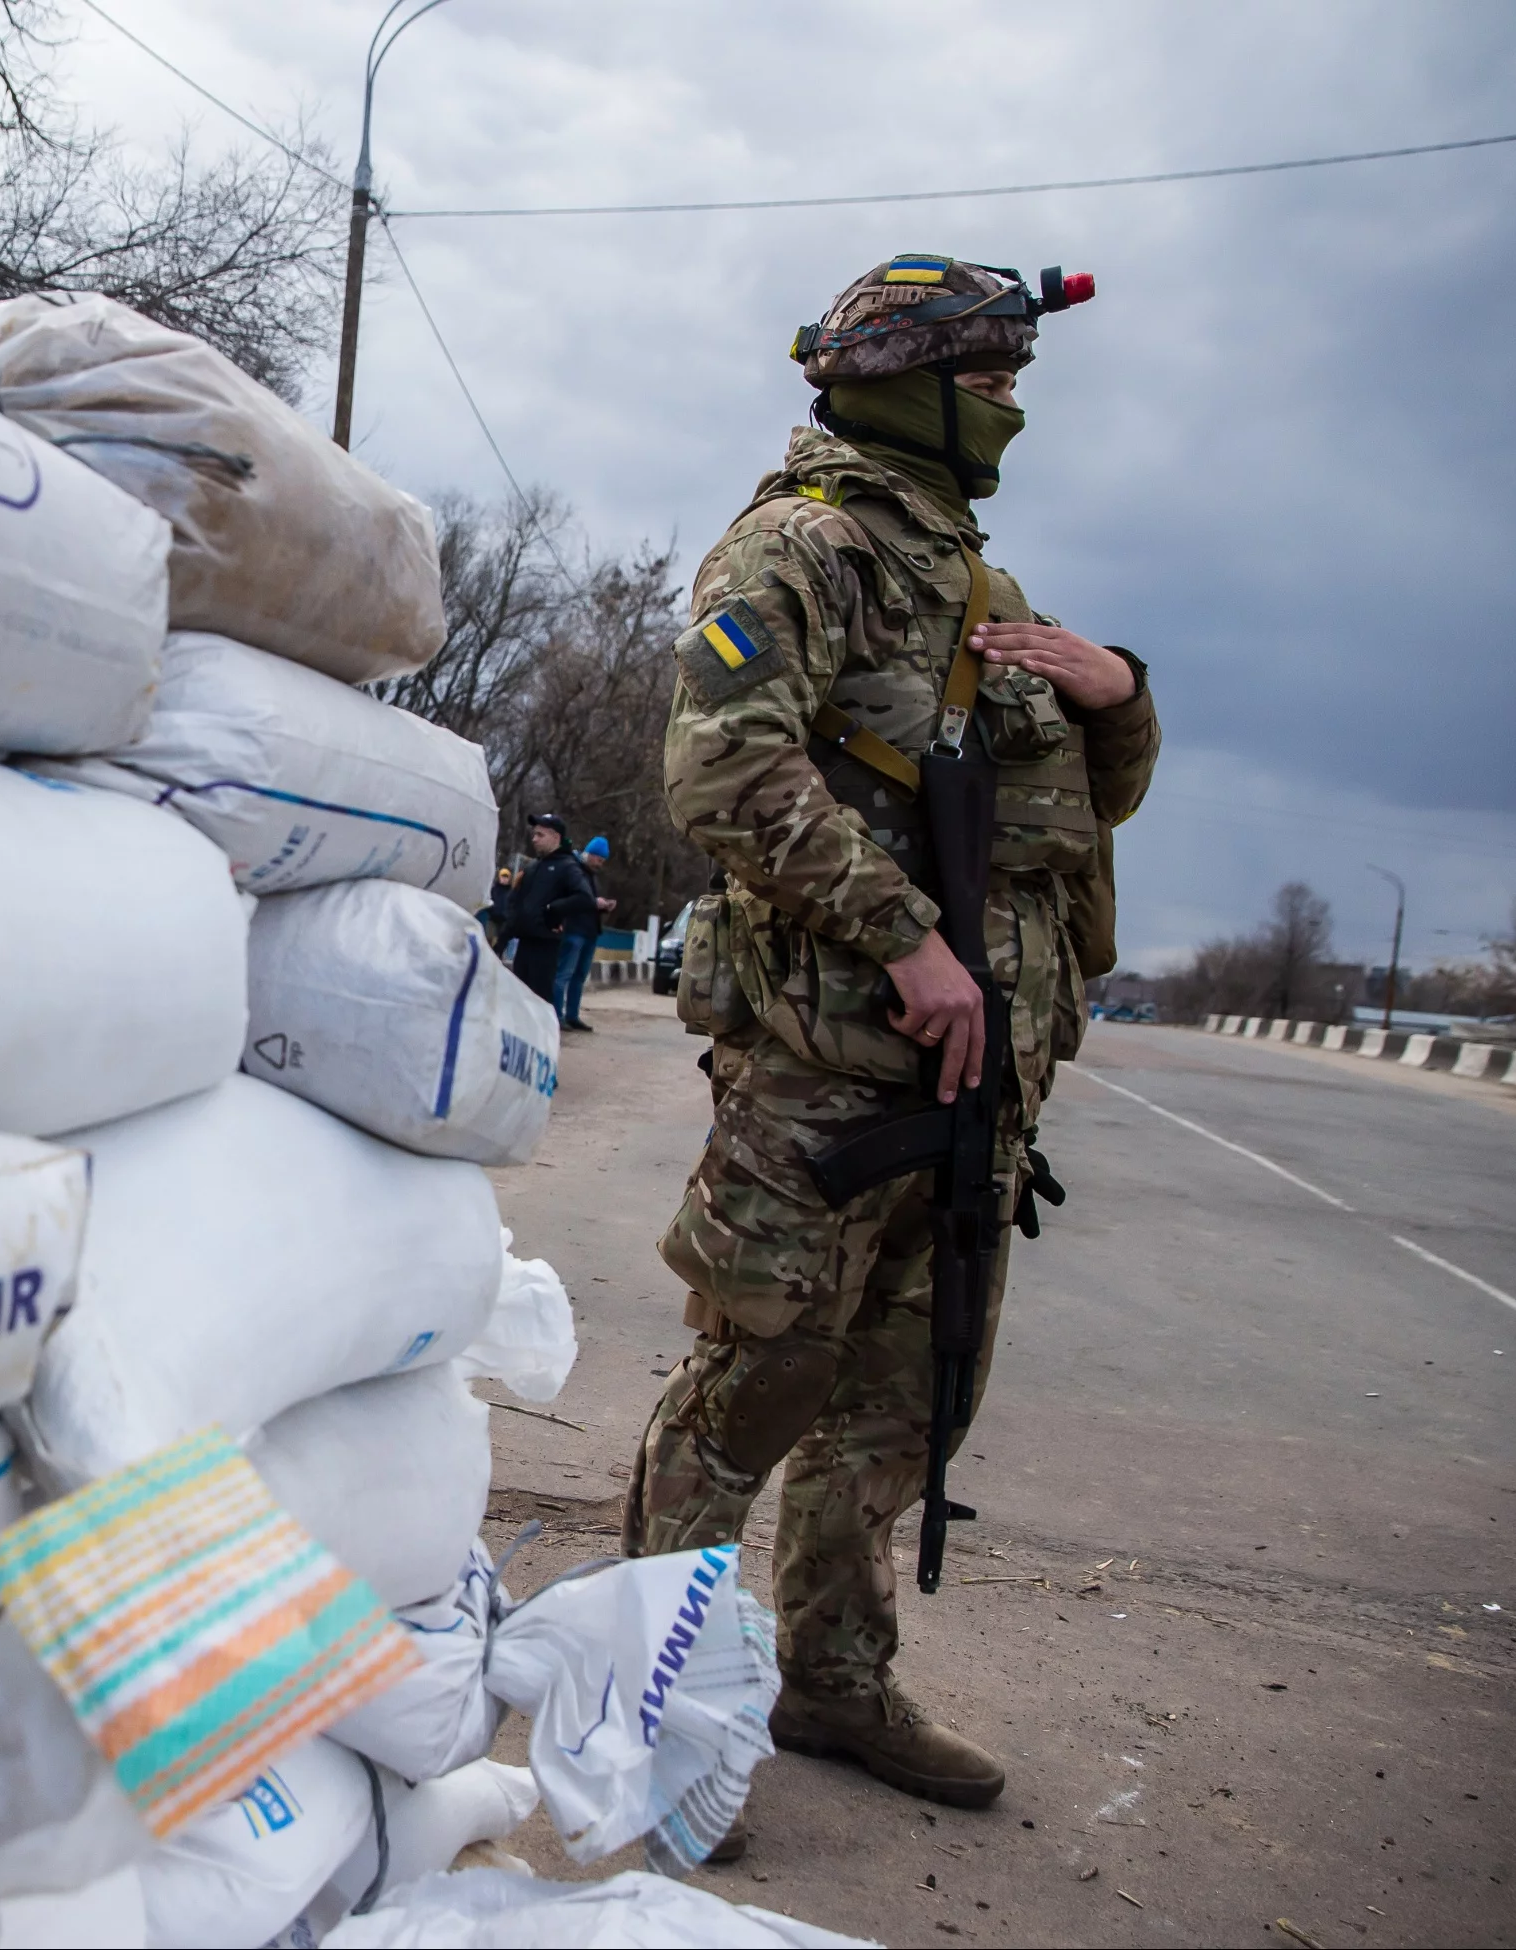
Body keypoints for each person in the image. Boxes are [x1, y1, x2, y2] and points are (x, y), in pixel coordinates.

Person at [621, 255, 1159, 1813]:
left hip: (974, 1088)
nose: (1010, 411)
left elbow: (1082, 803)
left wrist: (1118, 694)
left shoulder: (982, 587)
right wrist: (905, 935)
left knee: (901, 1404)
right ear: (908, 384)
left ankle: (834, 1686)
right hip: (828, 1075)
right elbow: (722, 772)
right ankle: (644, 1697)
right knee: (755, 1385)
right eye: (989, 384)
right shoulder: (804, 546)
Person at [502, 814, 598, 1008]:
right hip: (524, 943)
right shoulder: (533, 867)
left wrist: (554, 910)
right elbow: (518, 903)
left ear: (555, 837)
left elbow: (585, 897)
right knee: (518, 1001)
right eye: (534, 834)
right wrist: (501, 941)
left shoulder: (567, 866)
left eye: (540, 835)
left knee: (539, 1001)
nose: (534, 839)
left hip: (545, 946)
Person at [553, 836, 619, 1031]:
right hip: (574, 929)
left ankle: (572, 1015)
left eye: (603, 861)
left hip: (590, 930)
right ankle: (557, 1015)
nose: (600, 864)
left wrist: (603, 906)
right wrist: (594, 903)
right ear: (590, 854)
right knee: (564, 973)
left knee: (579, 976)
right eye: (599, 859)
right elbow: (575, 899)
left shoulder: (590, 875)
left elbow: (588, 899)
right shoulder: (574, 871)